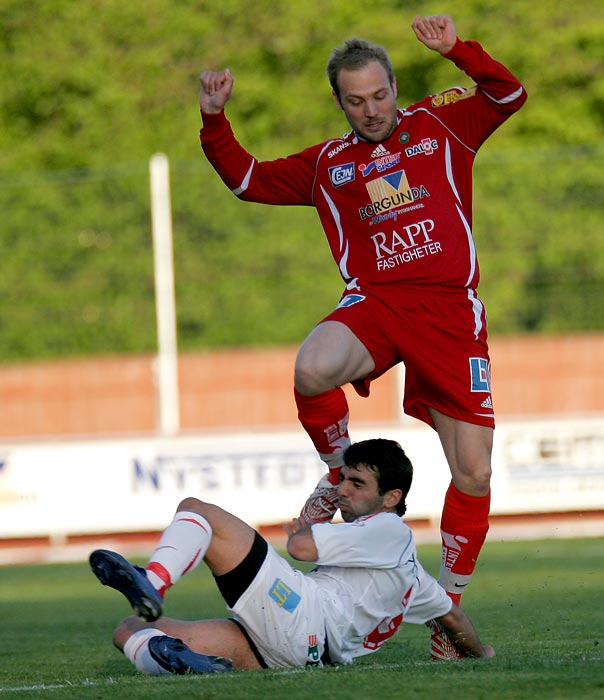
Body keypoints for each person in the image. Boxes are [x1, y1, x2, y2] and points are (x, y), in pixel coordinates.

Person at [198, 14, 527, 651]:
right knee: (312, 367)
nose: (371, 109)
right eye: (356, 100)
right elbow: (248, 180)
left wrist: (458, 50)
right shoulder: (329, 164)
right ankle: (336, 470)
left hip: (450, 313)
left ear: (395, 87)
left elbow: (508, 95)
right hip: (375, 303)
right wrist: (215, 120)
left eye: (380, 95)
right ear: (338, 101)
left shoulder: (441, 125)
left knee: (475, 471)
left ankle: (447, 612)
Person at [89, 439, 494, 674]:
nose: (342, 490)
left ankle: (154, 581)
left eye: (357, 483)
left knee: (199, 510)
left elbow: (300, 549)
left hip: (300, 612)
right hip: (299, 654)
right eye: (343, 480)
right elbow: (454, 617)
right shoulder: (411, 573)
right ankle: (188, 663)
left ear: (391, 498)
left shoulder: (388, 528)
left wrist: (307, 524)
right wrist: (483, 654)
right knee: (128, 630)